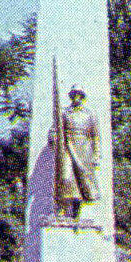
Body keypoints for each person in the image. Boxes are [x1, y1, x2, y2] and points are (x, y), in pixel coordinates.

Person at [54, 87, 100, 219]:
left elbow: (95, 136)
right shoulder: (65, 113)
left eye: (79, 94)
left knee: (81, 183)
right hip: (68, 148)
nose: (76, 97)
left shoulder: (89, 114)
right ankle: (61, 209)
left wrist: (96, 154)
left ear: (82, 96)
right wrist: (52, 137)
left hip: (84, 150)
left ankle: (76, 215)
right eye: (74, 94)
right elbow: (56, 129)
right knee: (65, 178)